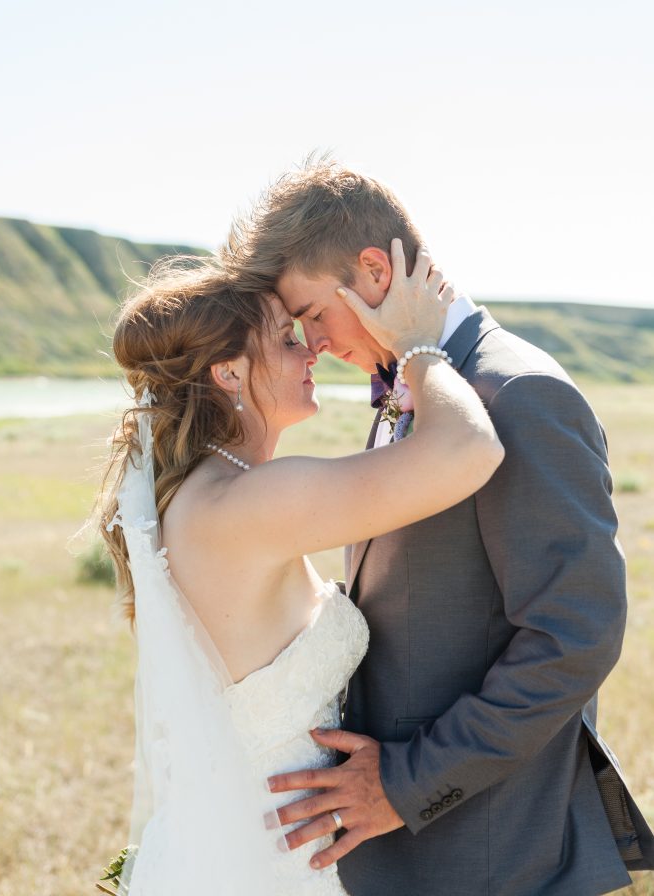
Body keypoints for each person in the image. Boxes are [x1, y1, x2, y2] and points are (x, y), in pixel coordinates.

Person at [221, 160, 654, 896]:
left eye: (313, 314)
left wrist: (407, 784)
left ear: (371, 270)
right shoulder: (418, 384)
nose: (314, 342)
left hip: (486, 849)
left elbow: (574, 637)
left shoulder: (519, 395)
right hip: (409, 852)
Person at [98, 252, 503, 895]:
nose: (312, 348)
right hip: (273, 859)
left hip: (246, 842)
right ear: (229, 370)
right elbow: (468, 449)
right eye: (287, 339)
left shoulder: (204, 495)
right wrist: (417, 341)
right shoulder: (246, 503)